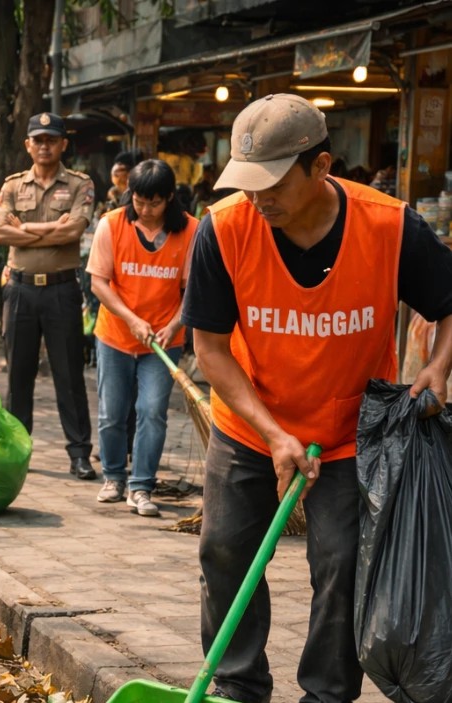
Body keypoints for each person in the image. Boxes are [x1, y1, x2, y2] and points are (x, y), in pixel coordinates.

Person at [183, 94, 452, 703]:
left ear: (321, 166)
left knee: (340, 565)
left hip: (347, 431)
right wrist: (273, 434)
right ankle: (238, 684)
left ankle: (327, 693)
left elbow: (448, 303)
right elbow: (212, 350)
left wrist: (438, 365)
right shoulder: (223, 230)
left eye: (272, 183)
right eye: (247, 184)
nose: (258, 198)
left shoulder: (390, 226)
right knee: (224, 551)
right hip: (250, 423)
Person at [86, 159, 196, 518]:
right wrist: (131, 319)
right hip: (116, 334)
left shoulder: (191, 231)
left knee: (151, 410)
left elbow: (192, 290)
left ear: (170, 200)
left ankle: (142, 485)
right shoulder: (111, 225)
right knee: (112, 412)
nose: (146, 210)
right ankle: (114, 477)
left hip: (163, 340)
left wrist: (176, 325)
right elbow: (99, 283)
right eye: (139, 201)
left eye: (155, 203)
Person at [0, 112, 97, 480]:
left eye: (52, 139)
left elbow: (74, 233)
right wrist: (53, 226)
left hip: (61, 290)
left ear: (63, 144)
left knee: (68, 374)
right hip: (20, 290)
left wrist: (28, 228)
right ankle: (16, 450)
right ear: (28, 145)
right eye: (38, 140)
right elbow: (1, 233)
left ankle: (80, 454)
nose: (44, 146)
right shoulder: (11, 187)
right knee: (18, 375)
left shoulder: (81, 184)